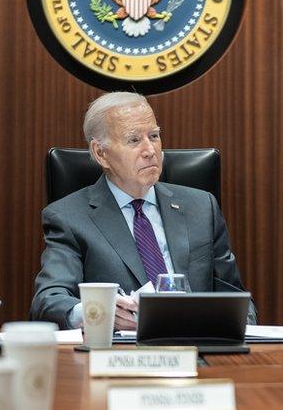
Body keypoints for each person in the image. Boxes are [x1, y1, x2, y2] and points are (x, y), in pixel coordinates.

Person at [30, 92, 256, 329]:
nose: (150, 150)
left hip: (198, 347)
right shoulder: (68, 217)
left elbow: (238, 300)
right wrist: (98, 312)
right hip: (122, 356)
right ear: (100, 153)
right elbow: (49, 300)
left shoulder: (201, 207)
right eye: (134, 140)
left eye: (154, 136)